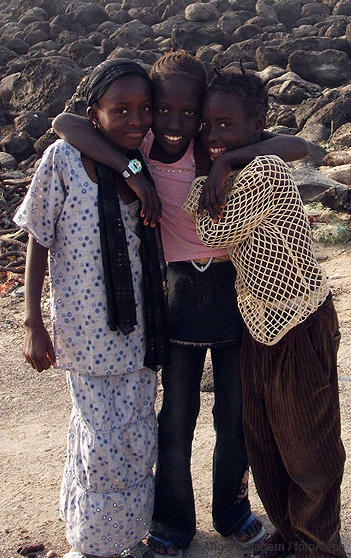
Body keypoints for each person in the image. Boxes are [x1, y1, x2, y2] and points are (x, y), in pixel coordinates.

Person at [52, 51, 309, 557]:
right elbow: (66, 123)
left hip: (235, 292)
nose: (176, 124)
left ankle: (232, 512)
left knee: (235, 415)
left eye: (189, 113)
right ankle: (173, 523)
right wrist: (132, 169)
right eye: (164, 110)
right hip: (174, 293)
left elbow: (296, 144)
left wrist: (231, 161)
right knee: (176, 416)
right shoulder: (144, 143)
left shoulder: (214, 146)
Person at [183, 67, 346, 558]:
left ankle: (319, 546)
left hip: (298, 319)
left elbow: (214, 235)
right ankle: (292, 532)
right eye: (207, 125)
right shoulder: (240, 165)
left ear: (258, 125)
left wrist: (219, 167)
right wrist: (223, 161)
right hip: (259, 318)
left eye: (226, 125)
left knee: (308, 442)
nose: (212, 135)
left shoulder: (265, 171)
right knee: (267, 437)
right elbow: (208, 213)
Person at [14, 59, 168, 558]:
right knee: (101, 441)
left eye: (144, 109)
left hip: (141, 328)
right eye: (119, 109)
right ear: (94, 113)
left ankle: (128, 537)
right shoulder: (62, 159)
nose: (135, 120)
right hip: (85, 332)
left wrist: (133, 166)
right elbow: (38, 236)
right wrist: (32, 320)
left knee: (138, 434)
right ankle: (92, 543)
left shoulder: (145, 156)